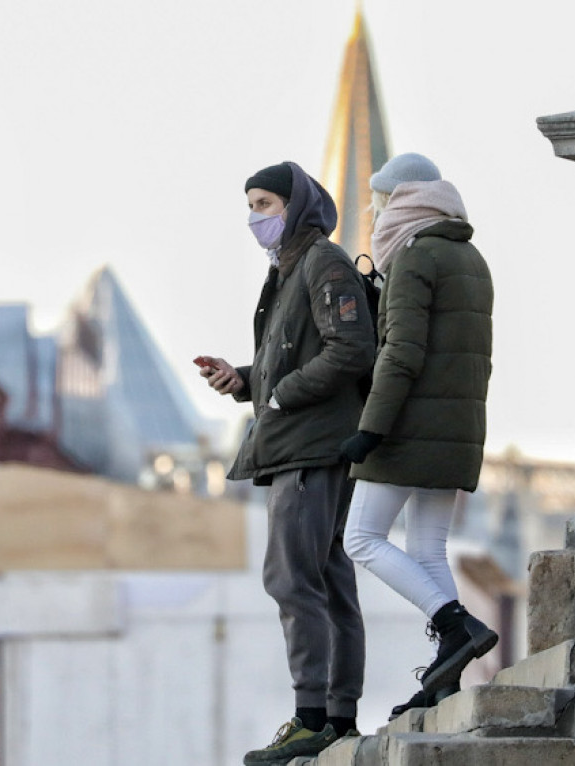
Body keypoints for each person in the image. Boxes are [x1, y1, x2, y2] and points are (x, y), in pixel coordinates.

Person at [198, 160, 376, 764]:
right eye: (250, 206)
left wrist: (281, 394)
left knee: (292, 578)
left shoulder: (321, 263)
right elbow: (295, 357)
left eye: (266, 205)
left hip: (310, 445)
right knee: (326, 580)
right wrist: (246, 380)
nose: (256, 218)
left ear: (295, 206)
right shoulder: (292, 269)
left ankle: (312, 716)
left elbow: (352, 348)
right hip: (303, 440)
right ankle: (337, 716)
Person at [338, 152, 497, 717]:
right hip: (457, 427)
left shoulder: (413, 256)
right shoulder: (469, 256)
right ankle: (447, 679)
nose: (375, 212)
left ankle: (455, 626)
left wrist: (370, 430)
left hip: (411, 427)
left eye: (379, 200)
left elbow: (402, 353)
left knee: (361, 538)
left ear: (397, 200)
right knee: (427, 548)